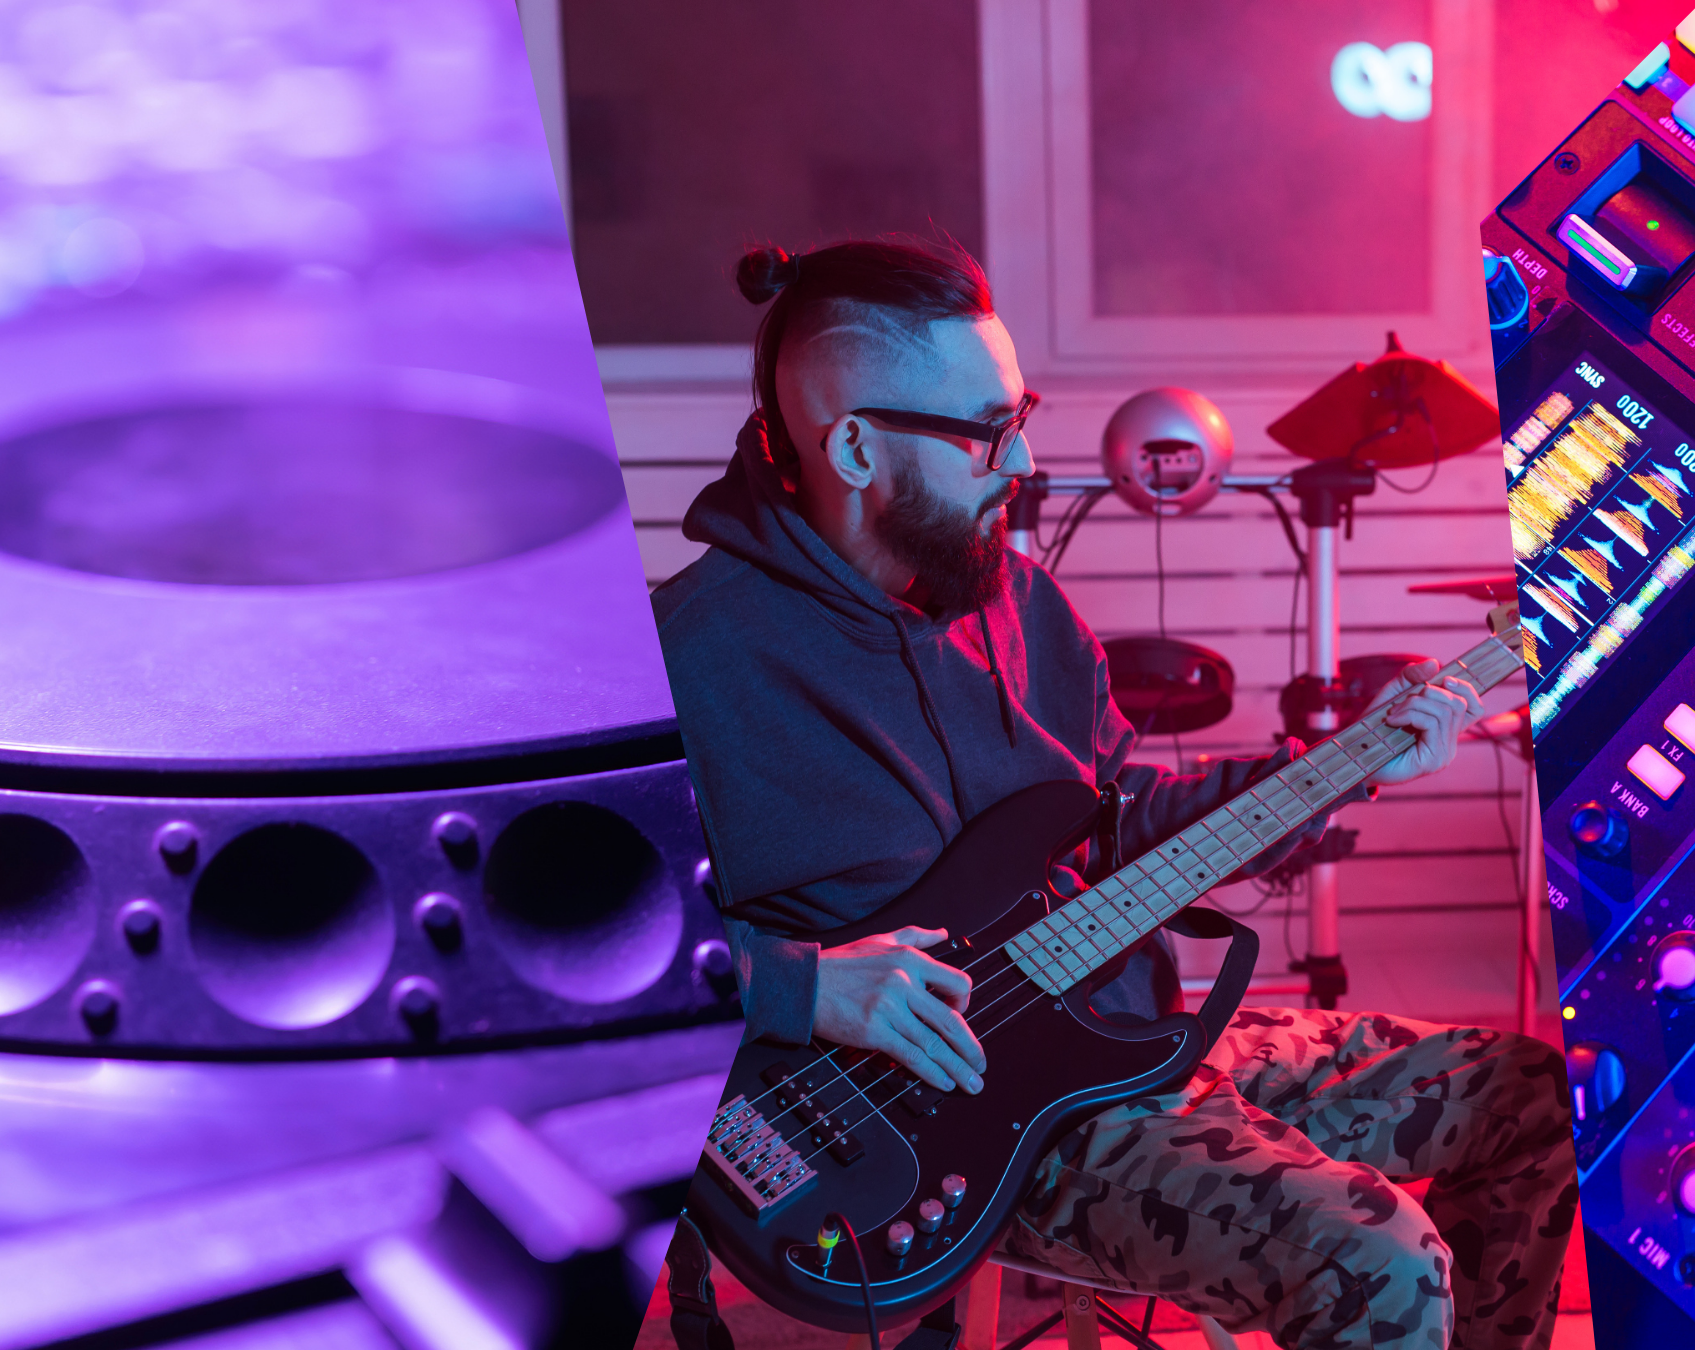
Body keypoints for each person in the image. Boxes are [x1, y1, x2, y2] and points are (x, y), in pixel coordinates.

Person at [652, 236, 1573, 1350]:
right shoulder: (686, 660)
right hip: (952, 1120)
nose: (1025, 459)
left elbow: (1119, 822)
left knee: (1542, 1100)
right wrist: (803, 990)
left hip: (1128, 1033)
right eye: (989, 430)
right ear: (852, 445)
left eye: (1021, 409)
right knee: (1383, 1260)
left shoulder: (1018, 603)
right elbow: (576, 978)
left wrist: (1347, 767)